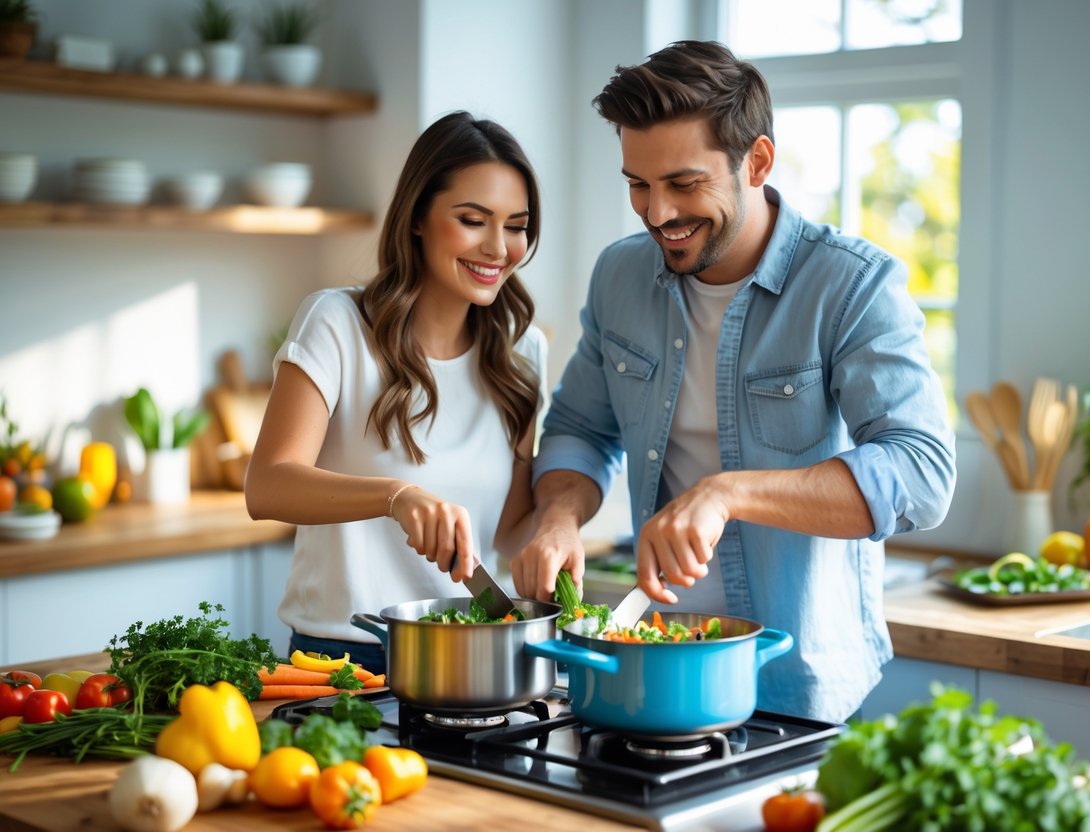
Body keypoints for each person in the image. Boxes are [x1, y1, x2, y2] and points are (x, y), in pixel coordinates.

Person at [513, 41, 955, 722]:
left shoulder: (851, 285)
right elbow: (580, 429)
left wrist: (729, 494)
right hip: (652, 663)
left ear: (756, 161)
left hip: (797, 684)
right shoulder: (619, 276)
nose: (657, 213)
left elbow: (920, 475)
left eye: (684, 184)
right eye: (637, 183)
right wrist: (559, 518)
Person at [245, 111, 546, 674]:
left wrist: (559, 533)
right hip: (341, 658)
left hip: (474, 655)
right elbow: (266, 486)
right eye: (473, 220)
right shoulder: (336, 322)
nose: (499, 247)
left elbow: (510, 529)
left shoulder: (522, 351)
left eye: (516, 225)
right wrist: (396, 497)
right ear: (417, 218)